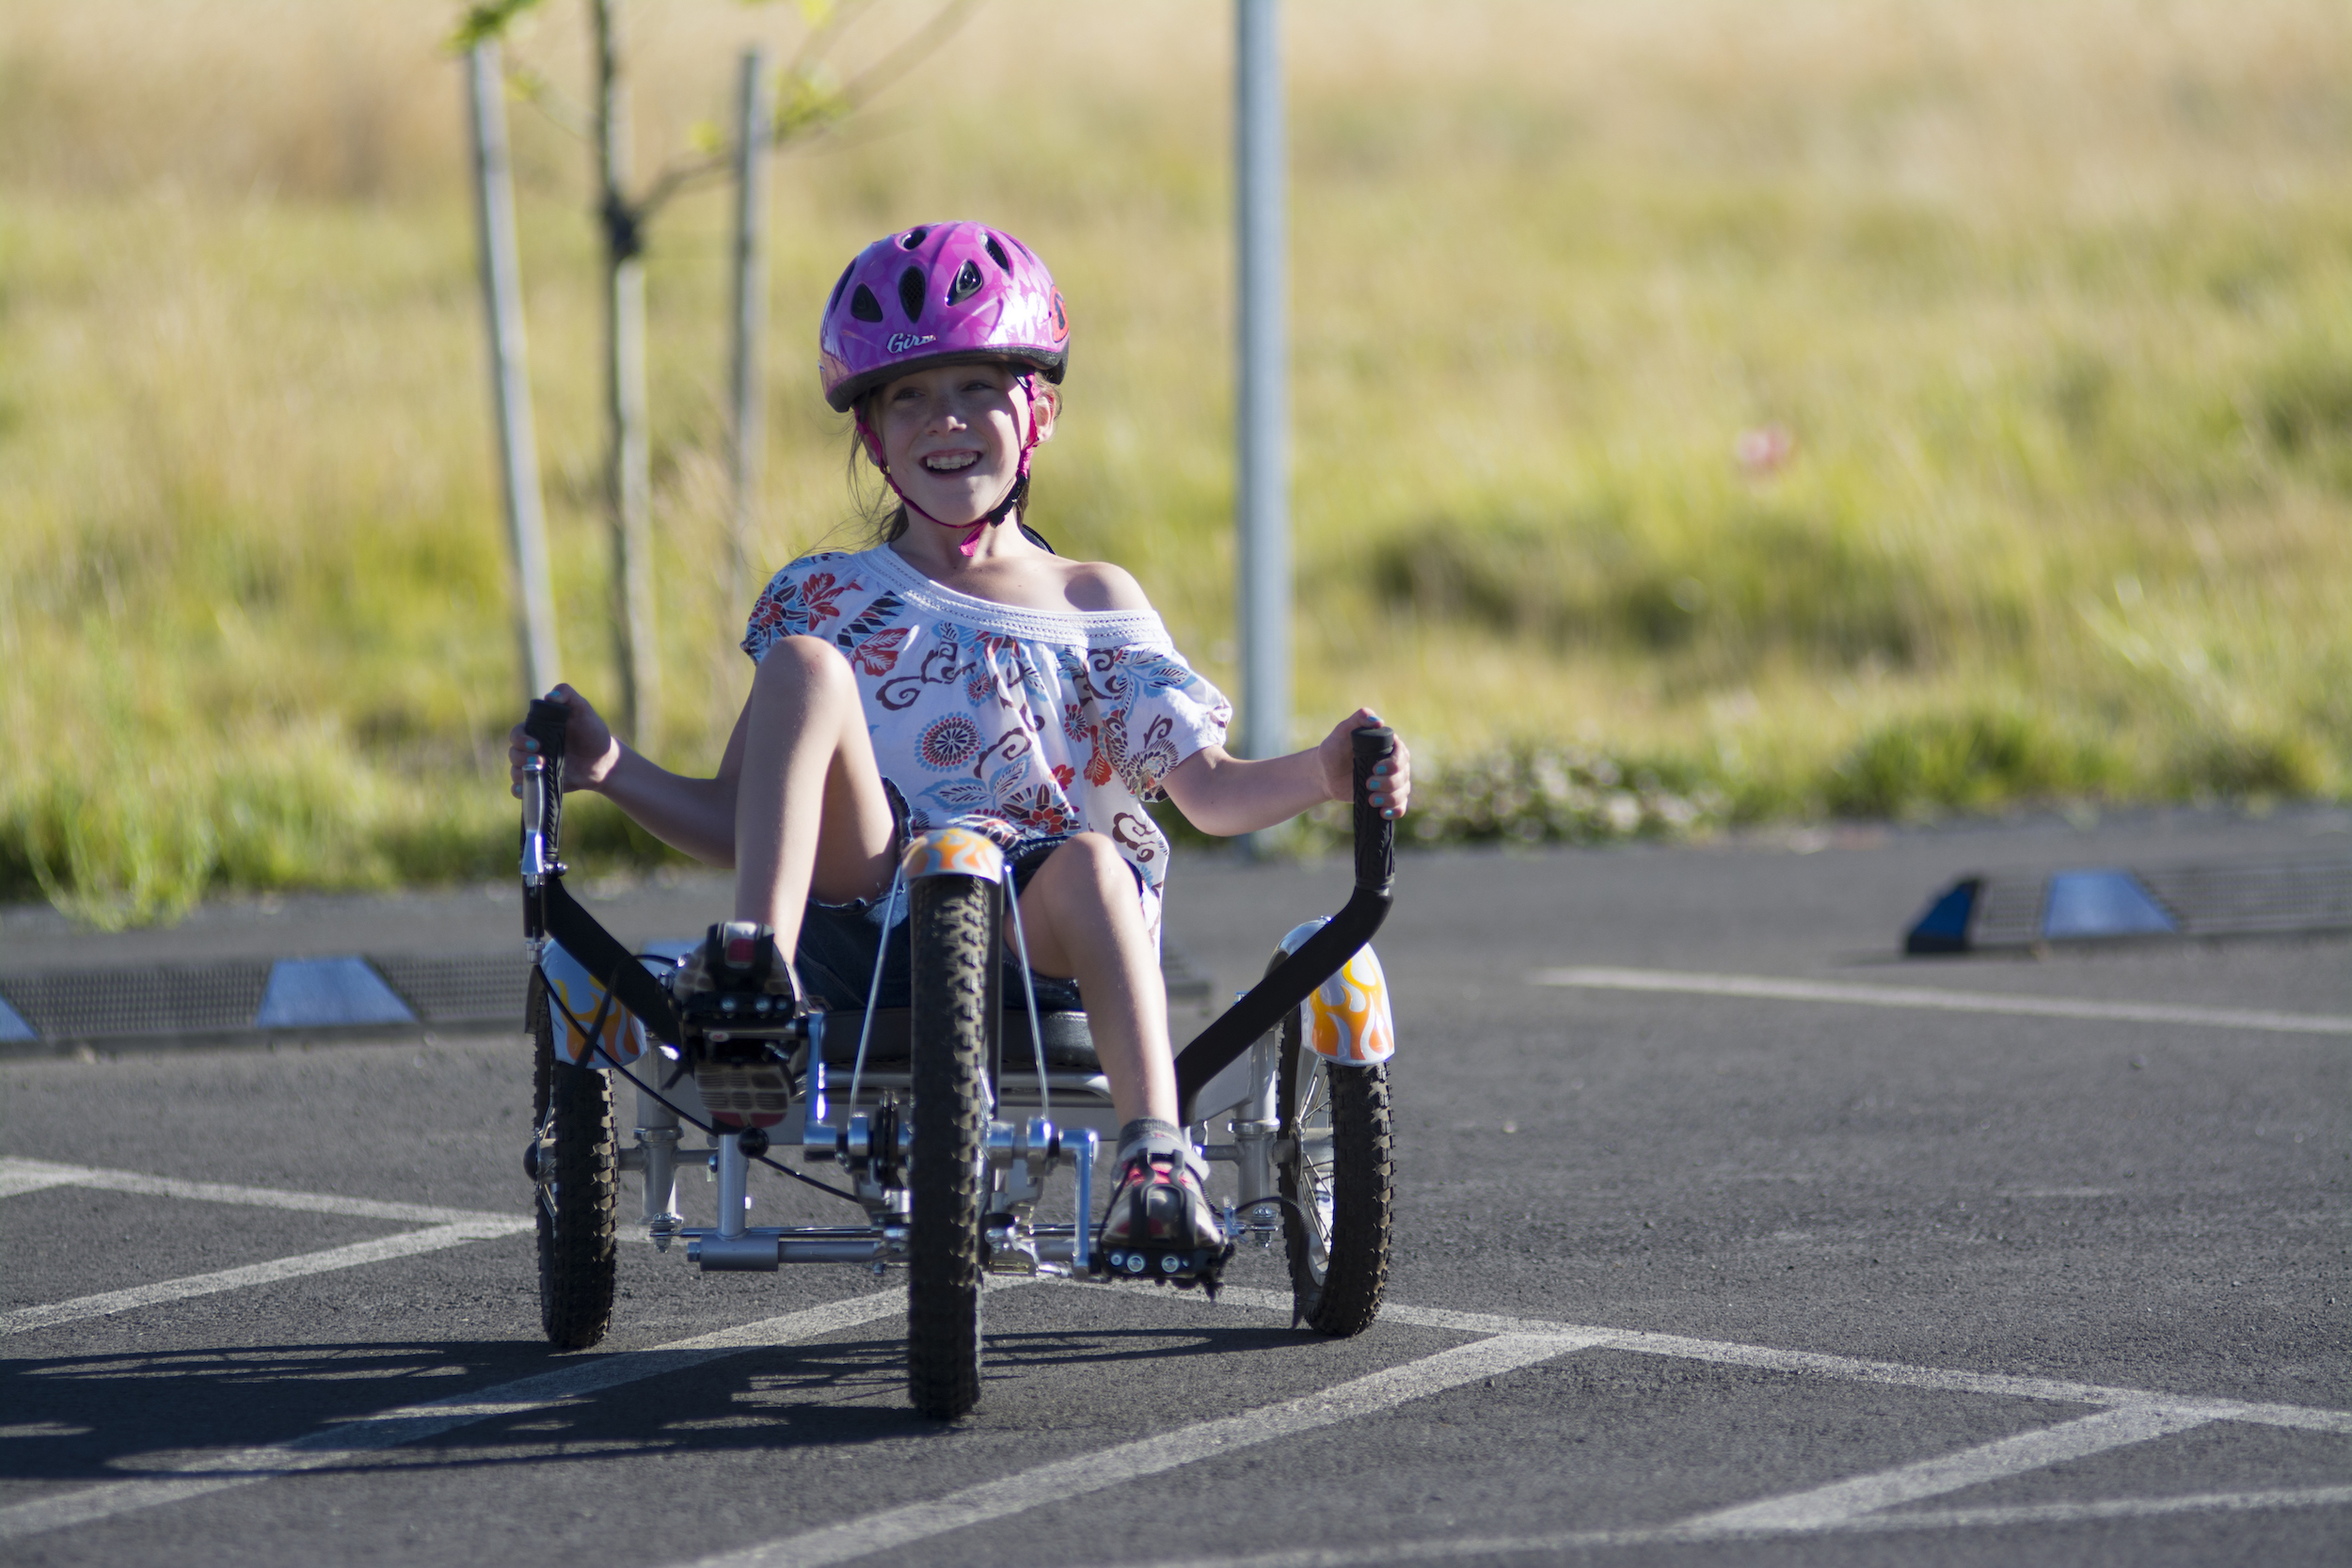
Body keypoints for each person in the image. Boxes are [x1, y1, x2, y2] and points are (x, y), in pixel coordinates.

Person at [509, 221, 1410, 1265]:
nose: (946, 420)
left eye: (979, 387)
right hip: (867, 906)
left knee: (1088, 857)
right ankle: (754, 981)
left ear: (1040, 414)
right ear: (872, 437)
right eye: (907, 396)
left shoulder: (1091, 600)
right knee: (806, 663)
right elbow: (738, 814)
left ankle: (1157, 1159)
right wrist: (610, 767)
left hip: (1042, 934)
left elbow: (1205, 793)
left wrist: (1324, 771)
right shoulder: (824, 594)